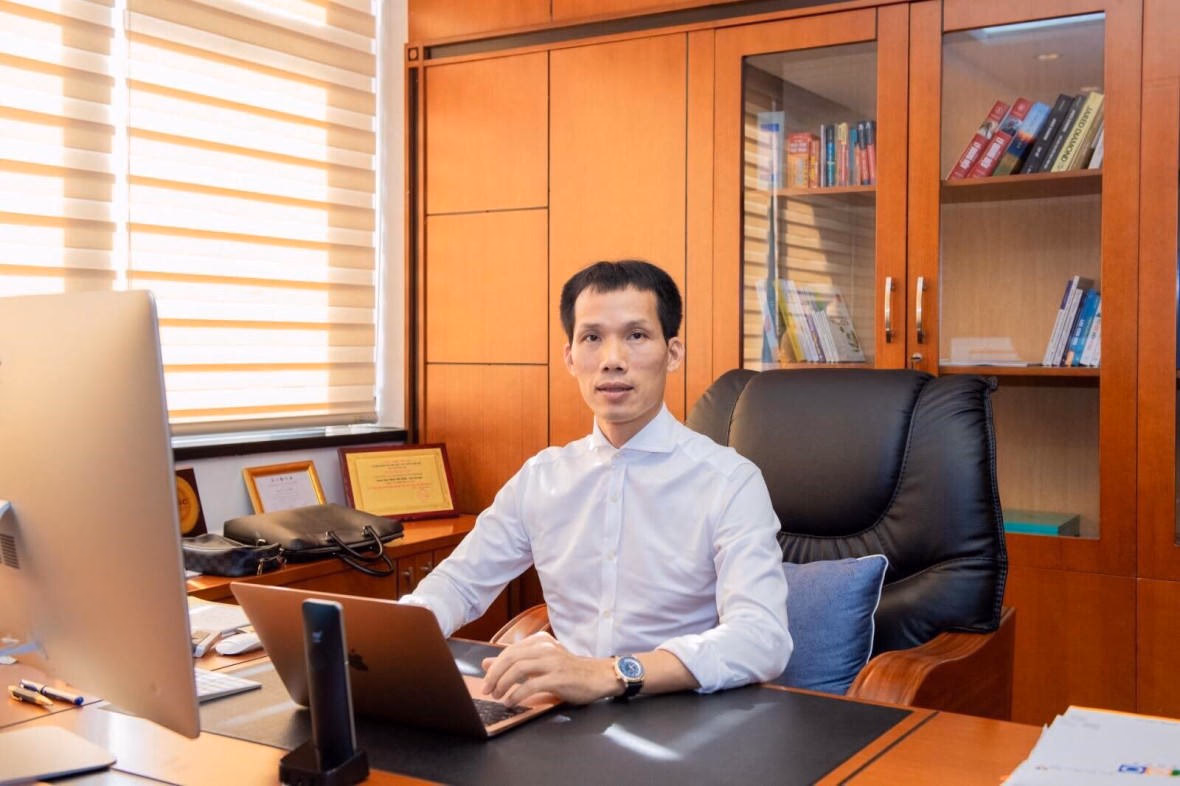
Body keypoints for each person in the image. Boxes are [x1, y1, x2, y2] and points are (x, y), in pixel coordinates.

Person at [402, 260, 790, 706]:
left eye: (636, 336)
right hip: (565, 712)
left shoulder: (730, 481)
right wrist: (391, 636)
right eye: (592, 338)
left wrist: (610, 673)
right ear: (570, 357)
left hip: (684, 711)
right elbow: (459, 584)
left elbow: (761, 639)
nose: (612, 360)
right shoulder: (543, 478)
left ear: (673, 353)